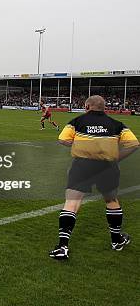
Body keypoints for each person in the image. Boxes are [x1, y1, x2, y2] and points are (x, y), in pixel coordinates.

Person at [49, 95, 139, 260]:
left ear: (87, 106)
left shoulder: (76, 121)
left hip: (82, 165)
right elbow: (134, 144)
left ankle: (62, 246)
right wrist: (116, 157)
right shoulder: (117, 124)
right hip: (107, 166)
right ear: (103, 108)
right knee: (111, 201)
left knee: (72, 203)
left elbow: (62, 140)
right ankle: (116, 241)